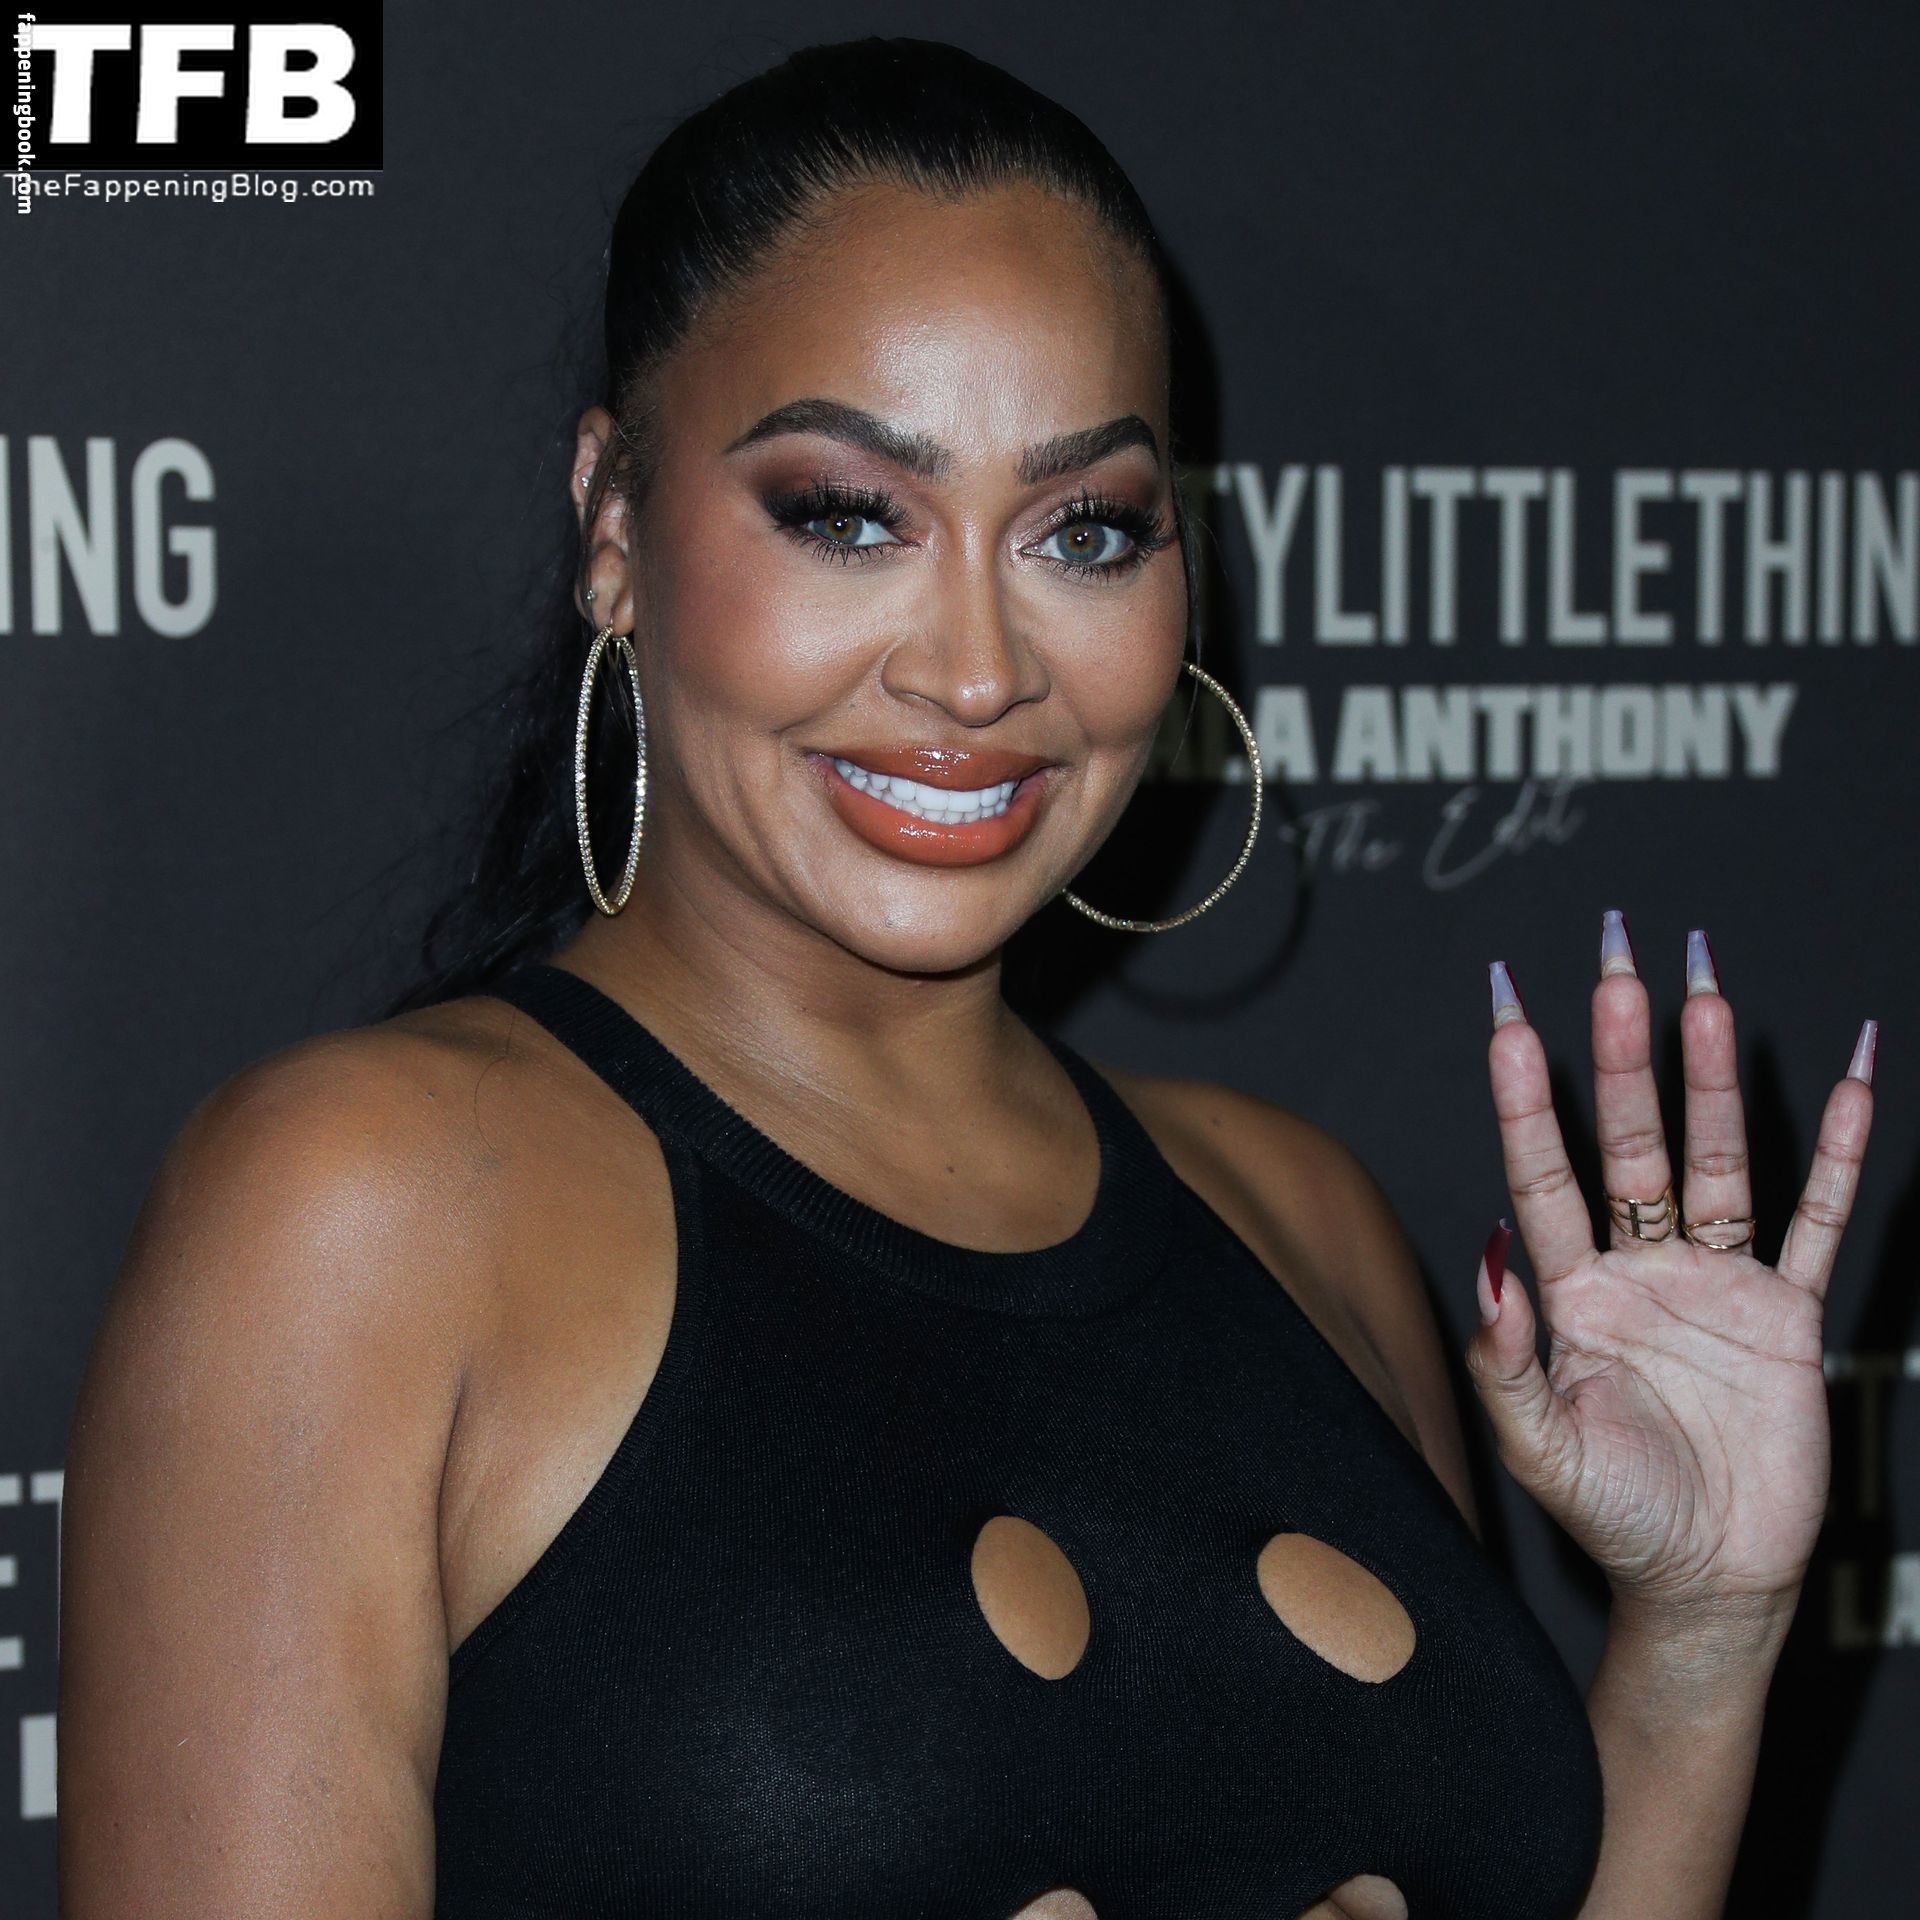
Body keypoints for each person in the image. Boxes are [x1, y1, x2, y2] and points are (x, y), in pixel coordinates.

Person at [54, 36, 1876, 1920]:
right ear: (614, 527)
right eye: (850, 514)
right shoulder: (360, 1215)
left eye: (1086, 530)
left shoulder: (1299, 1217)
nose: (983, 666)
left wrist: (1703, 1635)